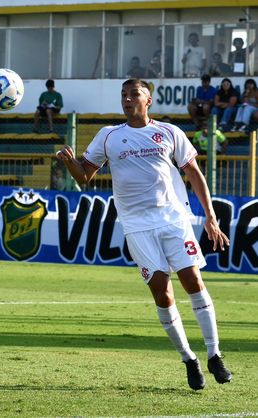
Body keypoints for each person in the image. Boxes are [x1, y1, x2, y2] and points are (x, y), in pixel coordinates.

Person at [56, 78, 232, 391]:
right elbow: (84, 176)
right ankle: (189, 359)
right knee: (162, 293)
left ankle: (214, 354)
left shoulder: (169, 132)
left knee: (193, 281)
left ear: (148, 100)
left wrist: (210, 218)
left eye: (134, 94)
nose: (127, 99)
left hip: (173, 219)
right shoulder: (109, 136)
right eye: (123, 95)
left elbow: (194, 173)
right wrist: (71, 162)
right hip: (137, 226)